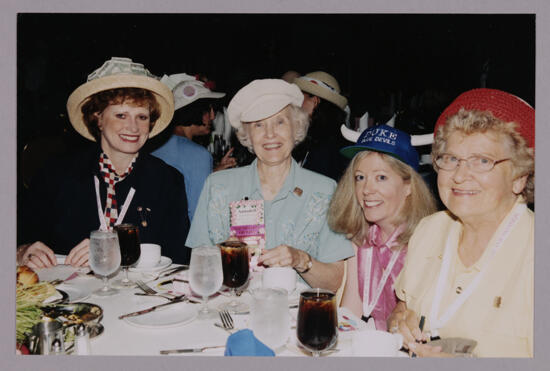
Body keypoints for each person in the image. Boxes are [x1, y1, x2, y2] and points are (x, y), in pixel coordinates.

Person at [387, 88, 534, 357]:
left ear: (519, 176)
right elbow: (402, 309)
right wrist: (399, 324)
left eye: (482, 161)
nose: (460, 175)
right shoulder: (429, 229)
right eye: (452, 159)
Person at [17, 57, 191, 268]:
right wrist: (22, 250)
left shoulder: (167, 180)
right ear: (97, 118)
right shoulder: (56, 173)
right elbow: (21, 233)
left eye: (142, 117)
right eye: (121, 115)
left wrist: (118, 251)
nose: (133, 127)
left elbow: (178, 256)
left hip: (137, 296)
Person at [186, 79, 354, 291]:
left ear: (296, 128)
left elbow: (336, 283)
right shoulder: (218, 186)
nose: (270, 134)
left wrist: (301, 260)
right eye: (258, 125)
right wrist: (221, 255)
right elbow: (197, 268)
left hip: (295, 315)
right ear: (247, 135)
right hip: (229, 310)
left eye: (280, 122)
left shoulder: (324, 190)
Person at [328, 124, 437, 331]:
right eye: (360, 177)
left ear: (408, 187)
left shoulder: (424, 244)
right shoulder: (359, 239)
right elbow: (351, 312)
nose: (367, 190)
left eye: (381, 177)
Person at [152, 73, 235, 221]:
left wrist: (213, 171)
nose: (212, 116)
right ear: (194, 111)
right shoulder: (198, 155)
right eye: (208, 110)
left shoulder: (155, 145)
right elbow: (199, 211)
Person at [292, 71, 350, 181]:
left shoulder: (324, 145)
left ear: (315, 101)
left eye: (299, 97)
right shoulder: (326, 137)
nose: (295, 103)